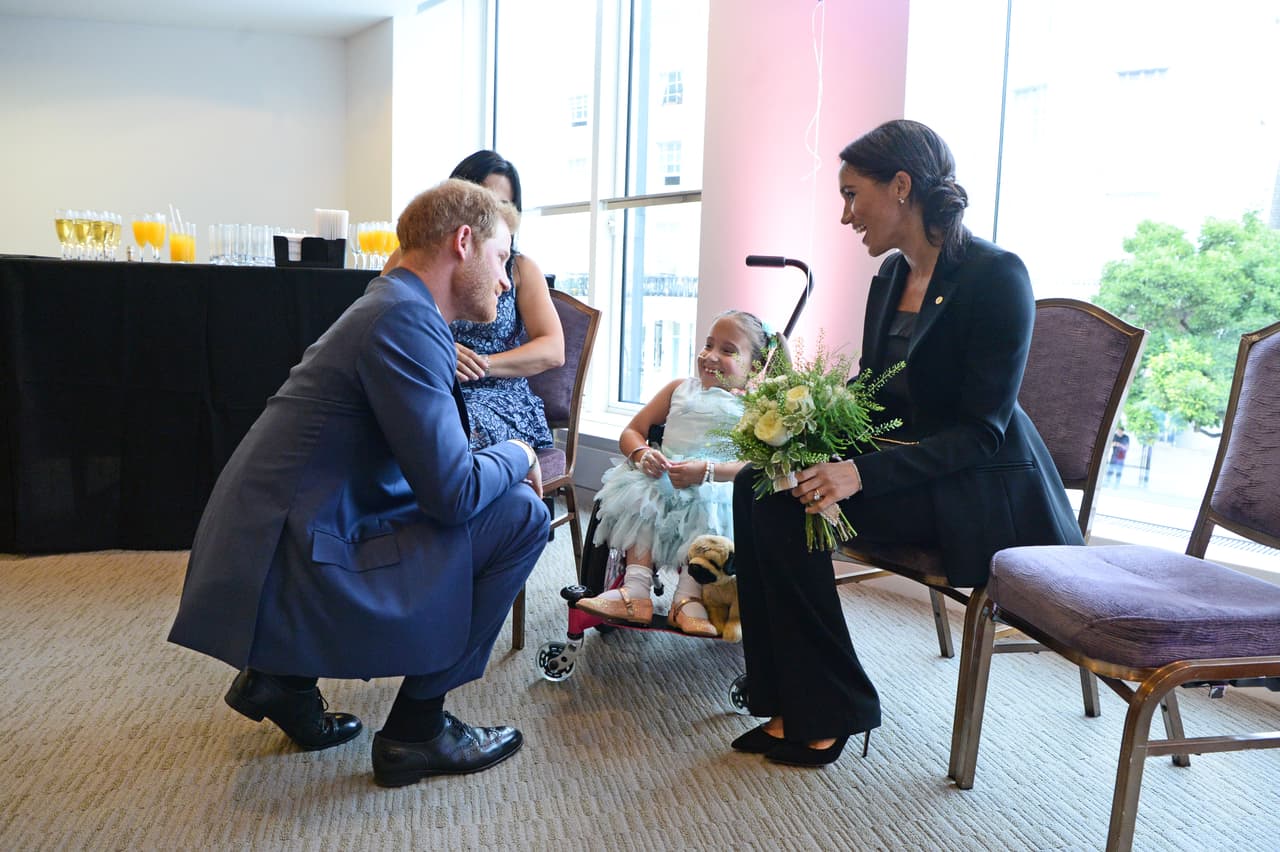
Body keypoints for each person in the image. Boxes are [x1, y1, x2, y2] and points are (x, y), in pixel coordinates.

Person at [168, 179, 551, 788]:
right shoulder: (406, 322)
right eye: (503, 259)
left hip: (284, 537)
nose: (507, 282)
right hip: (291, 558)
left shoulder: (394, 304)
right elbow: (451, 494)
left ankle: (284, 679)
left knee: (492, 495)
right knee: (522, 515)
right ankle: (418, 731)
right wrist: (518, 449)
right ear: (463, 243)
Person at [729, 119, 1084, 767]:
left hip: (981, 492)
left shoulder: (997, 276)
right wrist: (809, 440)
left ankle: (831, 708)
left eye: (850, 194)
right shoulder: (891, 277)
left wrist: (855, 476)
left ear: (900, 187)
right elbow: (876, 397)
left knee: (785, 508)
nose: (844, 216)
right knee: (759, 483)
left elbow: (981, 433)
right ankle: (783, 694)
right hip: (915, 474)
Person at [575, 311, 780, 637]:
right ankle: (636, 589)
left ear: (754, 367)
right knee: (639, 494)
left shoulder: (756, 407)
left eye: (727, 351)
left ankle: (688, 598)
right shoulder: (679, 388)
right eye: (708, 345)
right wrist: (644, 454)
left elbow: (758, 465)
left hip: (715, 483)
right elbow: (633, 431)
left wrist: (709, 472)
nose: (711, 356)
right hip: (663, 477)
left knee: (709, 504)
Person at [385, 150, 564, 450]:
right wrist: (438, 351)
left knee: (447, 429)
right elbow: (386, 321)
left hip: (498, 397)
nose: (495, 214)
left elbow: (553, 349)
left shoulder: (521, 270)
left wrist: (482, 365)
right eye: (486, 201)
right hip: (431, 383)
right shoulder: (411, 259)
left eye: (504, 205)